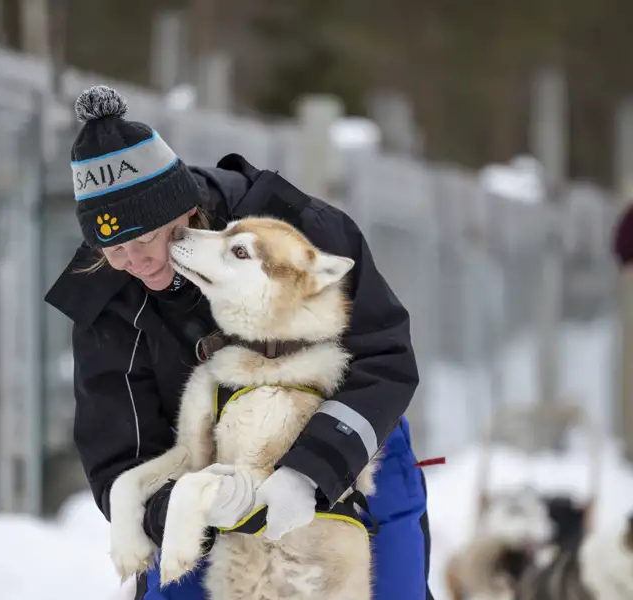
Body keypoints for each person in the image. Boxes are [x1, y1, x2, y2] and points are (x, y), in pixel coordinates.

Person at [45, 85, 433, 600]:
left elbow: (384, 358)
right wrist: (182, 516)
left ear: (182, 211)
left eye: (145, 241)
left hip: (354, 453)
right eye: (113, 249)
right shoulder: (107, 298)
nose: (134, 263)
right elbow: (119, 451)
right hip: (210, 480)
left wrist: (309, 472)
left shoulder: (292, 231)